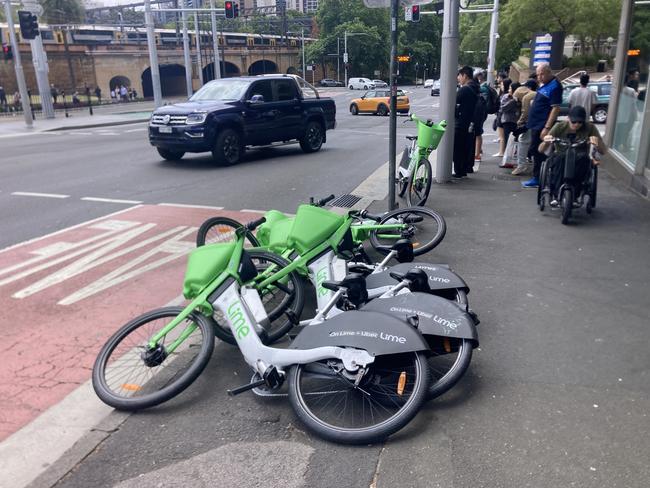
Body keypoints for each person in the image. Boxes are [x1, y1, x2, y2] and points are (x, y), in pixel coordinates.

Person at [538, 106, 607, 204]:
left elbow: (603, 151)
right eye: (574, 122)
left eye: (580, 122)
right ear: (568, 119)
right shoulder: (559, 127)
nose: (577, 125)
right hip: (561, 154)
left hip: (579, 155)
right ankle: (557, 194)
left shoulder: (590, 127)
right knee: (559, 159)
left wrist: (597, 142)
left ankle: (575, 194)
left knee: (584, 160)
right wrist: (546, 142)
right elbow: (540, 149)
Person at [522, 63, 563, 188]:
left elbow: (555, 109)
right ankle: (540, 176)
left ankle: (538, 177)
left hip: (542, 124)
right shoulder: (545, 84)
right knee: (535, 150)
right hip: (536, 123)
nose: (539, 77)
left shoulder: (555, 86)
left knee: (538, 150)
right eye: (538, 74)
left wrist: (547, 127)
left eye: (542, 74)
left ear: (549, 72)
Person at [452, 66, 478, 178]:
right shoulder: (476, 87)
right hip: (470, 122)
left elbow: (454, 103)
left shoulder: (465, 89)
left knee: (458, 147)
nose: (458, 78)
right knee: (465, 146)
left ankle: (459, 171)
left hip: (461, 123)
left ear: (464, 76)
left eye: (459, 75)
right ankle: (464, 169)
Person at [511, 79, 538, 176]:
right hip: (539, 122)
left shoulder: (527, 97)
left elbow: (525, 113)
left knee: (523, 142)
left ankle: (521, 165)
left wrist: (519, 122)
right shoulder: (536, 94)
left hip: (530, 123)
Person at [497, 79, 519, 168]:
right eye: (509, 88)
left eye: (511, 88)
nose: (509, 90)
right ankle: (506, 161)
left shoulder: (519, 98)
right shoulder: (507, 97)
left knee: (514, 142)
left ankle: (511, 161)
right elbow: (503, 108)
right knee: (507, 141)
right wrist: (514, 101)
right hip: (506, 121)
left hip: (515, 121)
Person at [473, 71, 489, 164]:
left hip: (480, 113)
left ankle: (477, 154)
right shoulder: (484, 88)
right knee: (478, 132)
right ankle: (479, 150)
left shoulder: (482, 89)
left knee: (478, 133)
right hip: (482, 113)